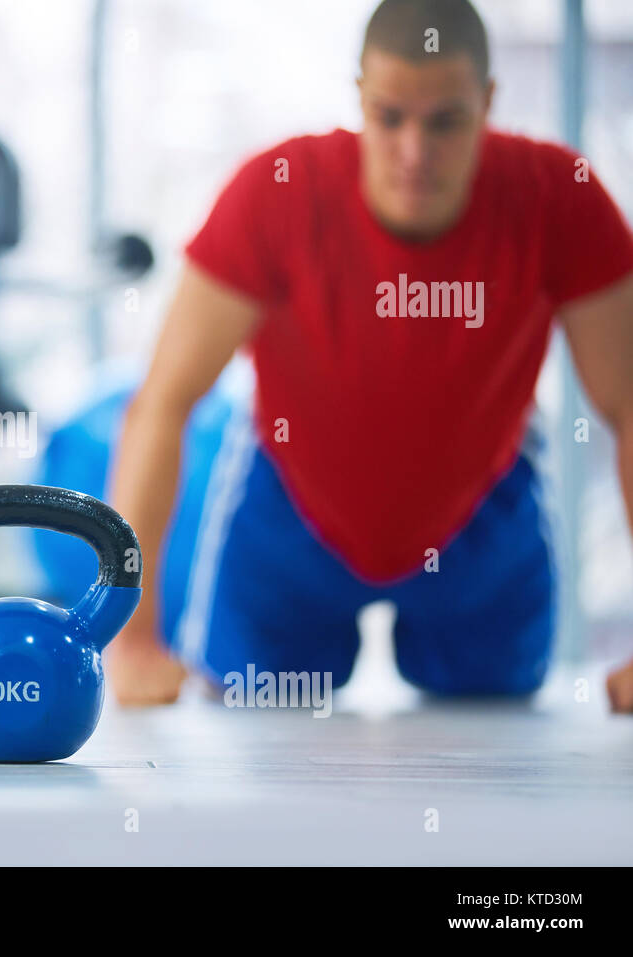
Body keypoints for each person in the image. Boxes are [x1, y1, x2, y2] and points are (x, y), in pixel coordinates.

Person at [106, 0, 633, 712]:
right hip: (289, 519)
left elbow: (628, 406)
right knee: (249, 714)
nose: (415, 152)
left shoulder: (559, 198)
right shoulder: (274, 192)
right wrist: (130, 637)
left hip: (481, 524)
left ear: (487, 102)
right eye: (390, 118)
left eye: (445, 120)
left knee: (496, 722)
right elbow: (161, 404)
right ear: (359, 99)